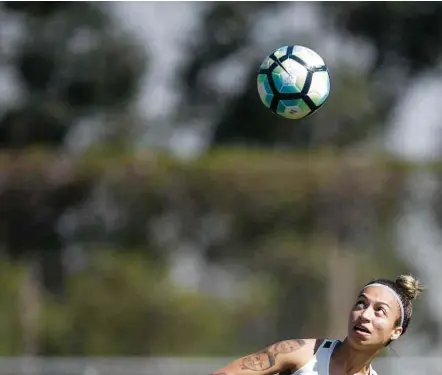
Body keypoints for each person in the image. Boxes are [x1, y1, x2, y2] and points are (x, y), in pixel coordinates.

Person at [211, 274, 424, 375]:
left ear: (396, 332)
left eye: (380, 311)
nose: (365, 315)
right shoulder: (302, 353)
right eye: (361, 303)